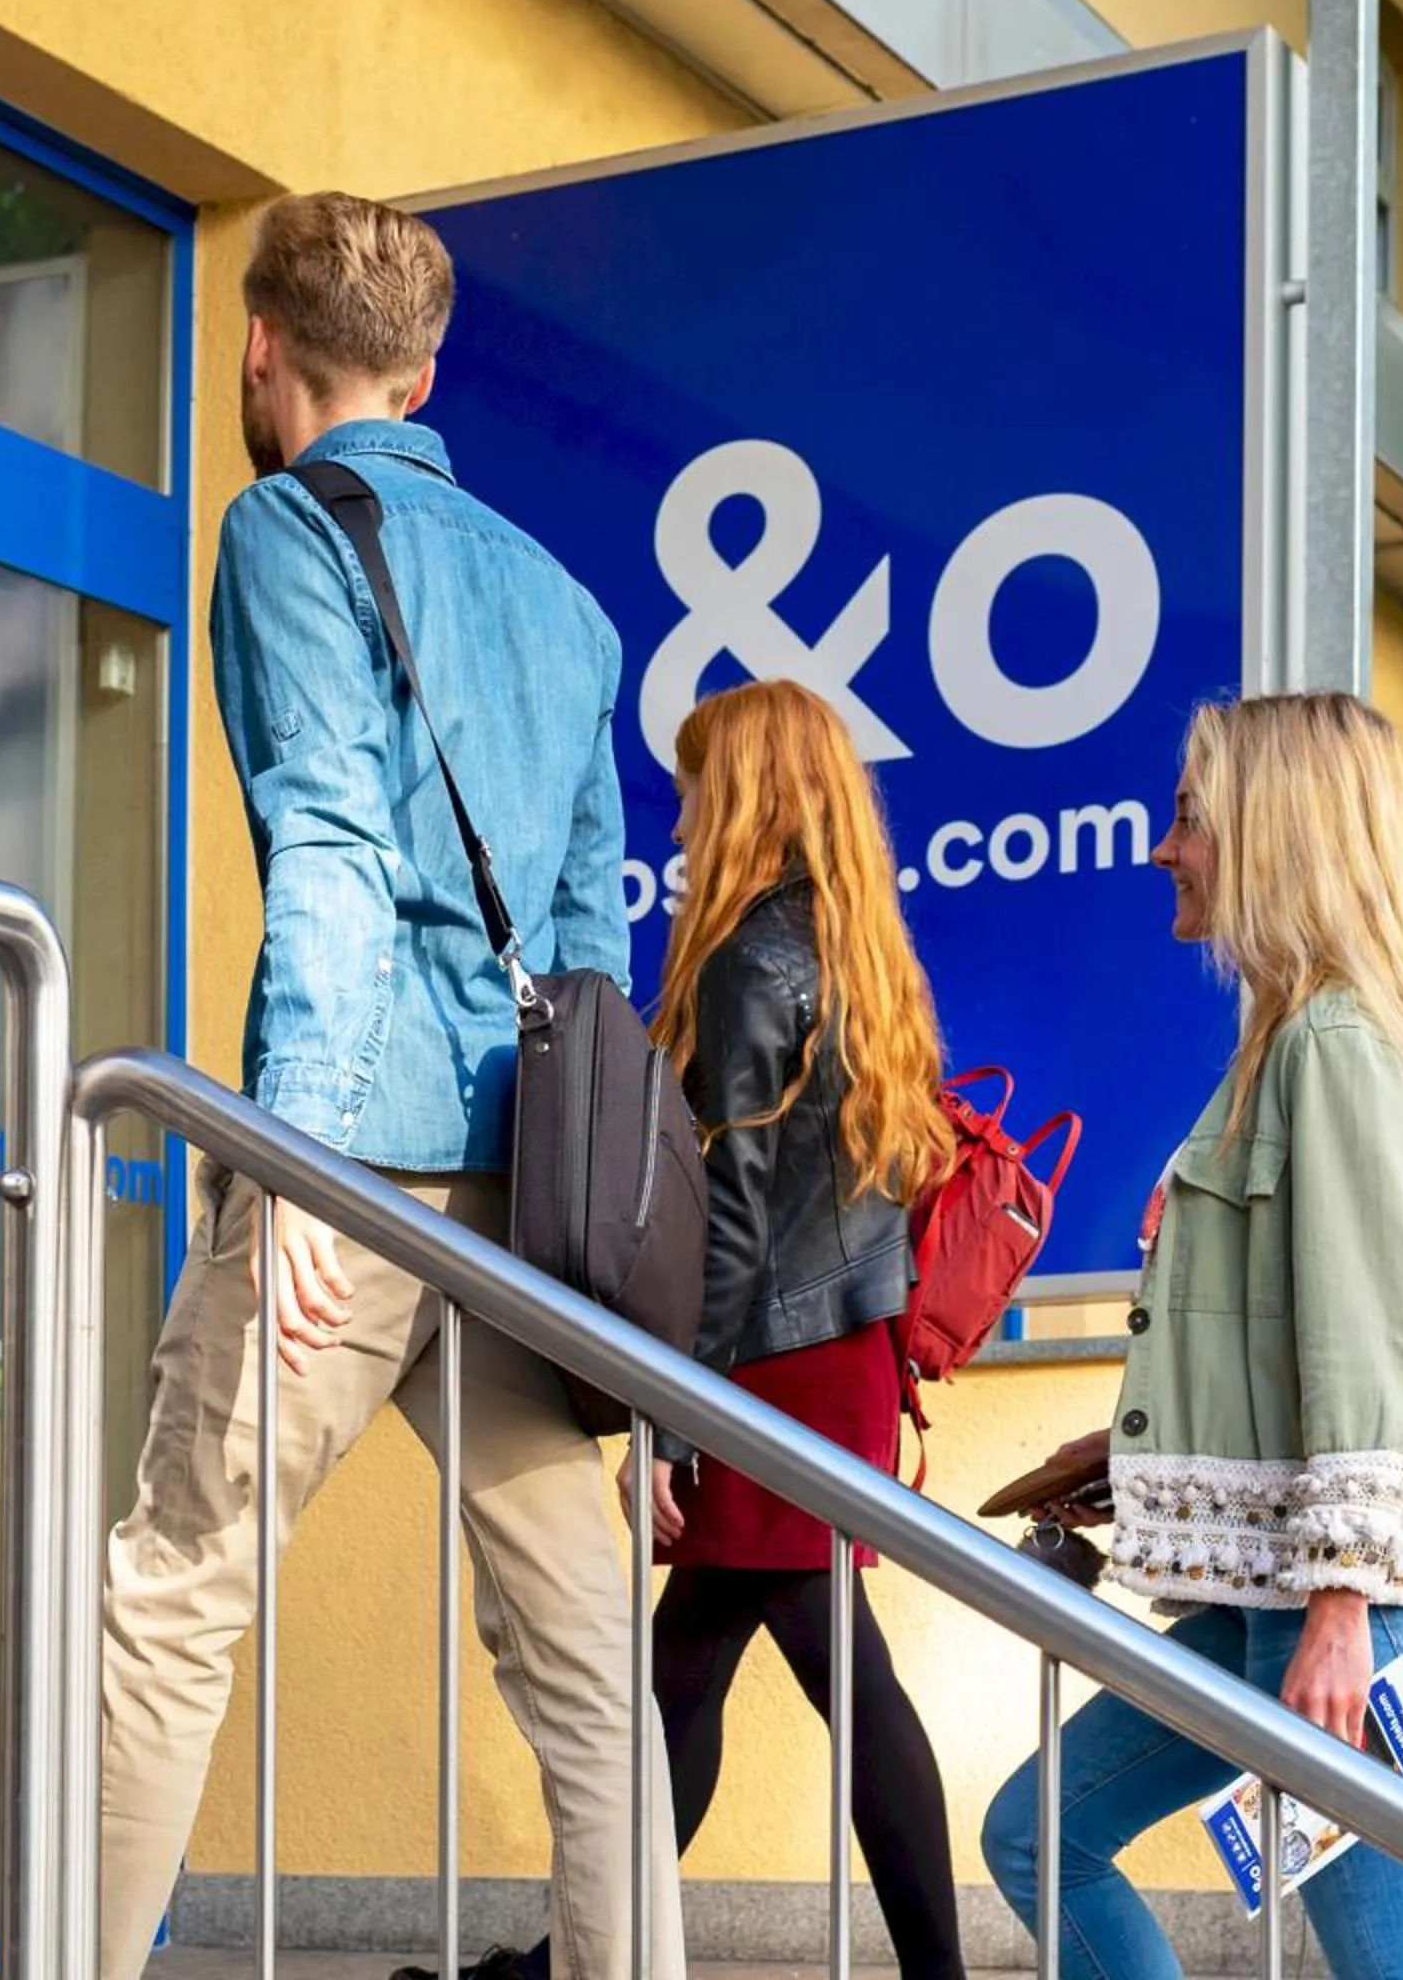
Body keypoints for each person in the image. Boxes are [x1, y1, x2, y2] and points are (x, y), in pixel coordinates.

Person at [99, 192, 682, 1980]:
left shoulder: (285, 529)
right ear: (426, 372)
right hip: (518, 1199)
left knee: (171, 1602)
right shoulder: (566, 607)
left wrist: (296, 1165)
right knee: (587, 1664)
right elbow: (590, 948)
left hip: (361, 1180)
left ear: (260, 344)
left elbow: (335, 848)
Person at [978, 691, 1403, 1980]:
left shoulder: (1332, 1042)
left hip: (1344, 1611)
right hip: (1284, 1590)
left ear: (1275, 830)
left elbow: (1365, 1339)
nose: (1165, 847)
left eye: (1188, 817)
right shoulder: (1292, 1037)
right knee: (1041, 1835)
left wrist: (1340, 1605)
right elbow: (1278, 1330)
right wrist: (1146, 1452)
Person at [515, 679, 968, 1980]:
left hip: (764, 1365)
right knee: (691, 1673)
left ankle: (579, 1962)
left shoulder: (752, 964)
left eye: (699, 786)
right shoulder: (854, 953)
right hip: (838, 1361)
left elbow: (729, 1223)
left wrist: (667, 1420)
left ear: (753, 795)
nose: (681, 817)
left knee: (818, 1671)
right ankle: (569, 1960)